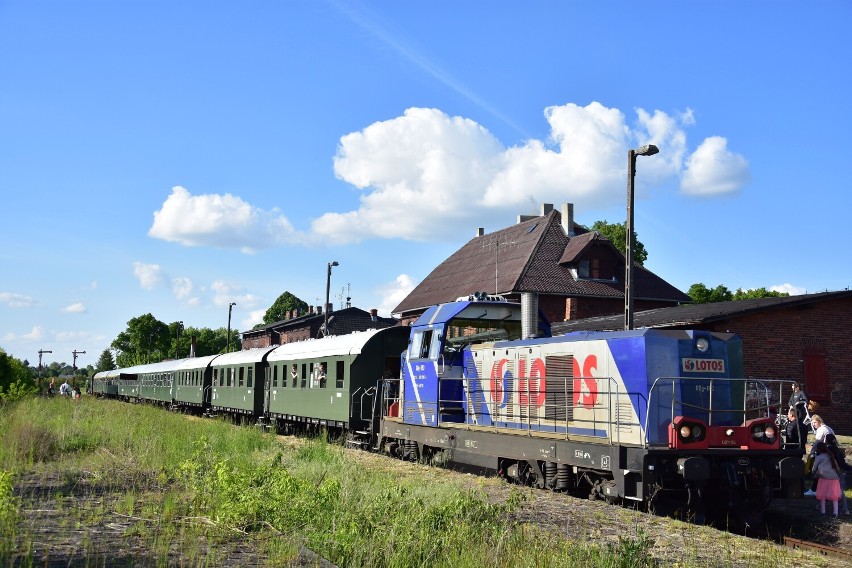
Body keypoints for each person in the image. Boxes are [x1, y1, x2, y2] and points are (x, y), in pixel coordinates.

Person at [812, 441, 843, 517]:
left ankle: (823, 512)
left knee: (822, 495)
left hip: (823, 477)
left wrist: (814, 474)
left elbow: (814, 468)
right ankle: (835, 513)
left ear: (818, 449)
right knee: (834, 496)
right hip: (834, 478)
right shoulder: (831, 455)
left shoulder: (819, 457)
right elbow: (837, 467)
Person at [825, 434, 851, 515]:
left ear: (826, 441)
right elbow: (842, 462)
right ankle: (845, 509)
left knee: (826, 489)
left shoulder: (828, 450)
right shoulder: (837, 449)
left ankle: (824, 507)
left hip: (831, 471)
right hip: (839, 470)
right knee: (840, 490)